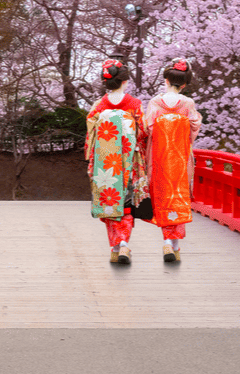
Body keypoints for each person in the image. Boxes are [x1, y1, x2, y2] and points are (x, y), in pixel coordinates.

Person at [85, 58, 149, 264]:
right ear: (125, 81)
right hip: (128, 161)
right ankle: (123, 245)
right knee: (126, 202)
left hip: (105, 163)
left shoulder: (98, 107)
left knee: (109, 202)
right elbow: (143, 132)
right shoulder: (135, 105)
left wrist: (92, 158)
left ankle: (115, 247)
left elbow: (90, 136)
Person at [144, 58, 202, 263]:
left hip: (159, 157)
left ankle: (168, 241)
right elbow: (194, 127)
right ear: (184, 84)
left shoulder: (155, 103)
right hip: (180, 157)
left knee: (163, 195)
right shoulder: (188, 104)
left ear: (166, 80)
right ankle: (173, 244)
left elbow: (148, 128)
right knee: (179, 194)